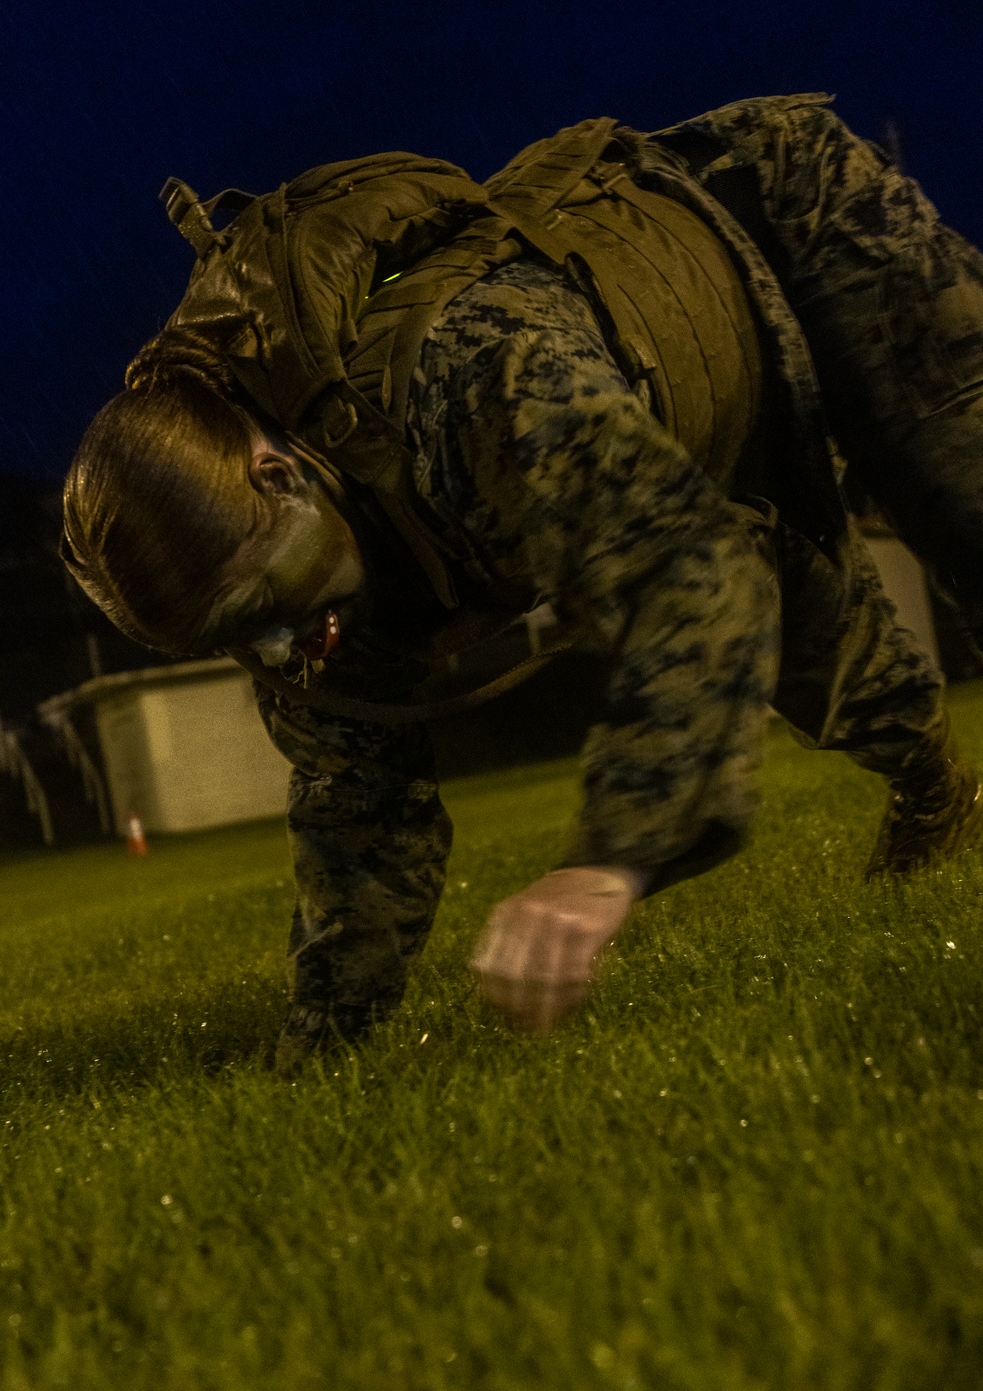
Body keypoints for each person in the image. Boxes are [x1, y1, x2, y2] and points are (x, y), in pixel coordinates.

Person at [61, 94, 983, 1064]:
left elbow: (691, 579)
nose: (278, 653)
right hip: (672, 420)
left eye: (262, 615)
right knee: (792, 597)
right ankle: (934, 788)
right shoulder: (272, 563)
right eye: (236, 644)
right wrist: (324, 1043)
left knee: (957, 492)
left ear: (279, 472)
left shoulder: (478, 380)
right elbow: (354, 795)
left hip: (790, 217)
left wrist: (605, 863)